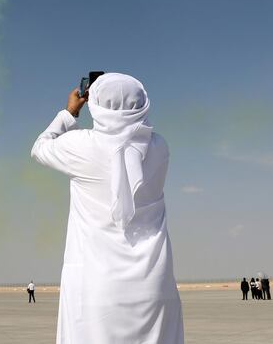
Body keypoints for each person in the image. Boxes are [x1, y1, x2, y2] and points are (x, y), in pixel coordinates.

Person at [31, 74, 184, 344]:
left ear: (95, 104)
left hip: (95, 286)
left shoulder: (80, 145)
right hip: (154, 284)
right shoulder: (160, 147)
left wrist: (70, 112)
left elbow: (40, 147)